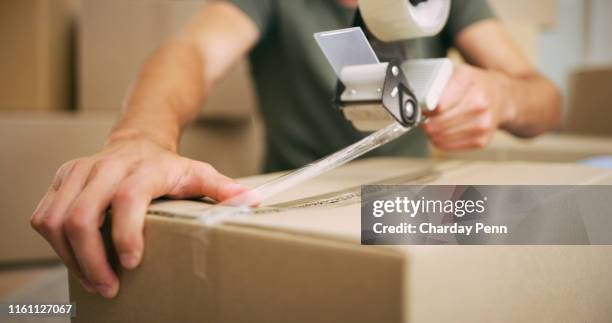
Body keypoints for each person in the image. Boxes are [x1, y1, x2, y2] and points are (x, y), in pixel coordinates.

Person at [31, 0, 561, 299]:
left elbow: (544, 99)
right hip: (299, 210)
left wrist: (502, 95)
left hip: (415, 213)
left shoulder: (445, 6)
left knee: (569, 230)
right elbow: (190, 51)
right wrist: (139, 137)